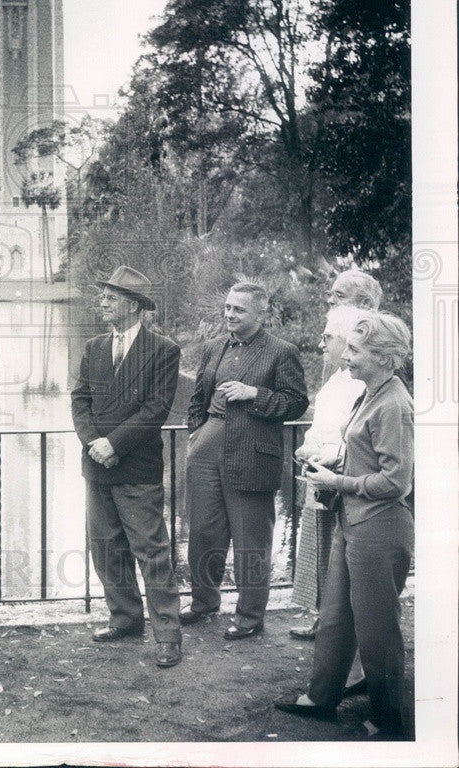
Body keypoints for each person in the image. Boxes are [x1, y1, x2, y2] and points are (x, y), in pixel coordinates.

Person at [275, 313, 415, 739]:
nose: (346, 358)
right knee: (335, 615)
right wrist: (334, 462)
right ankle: (322, 698)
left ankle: (390, 719)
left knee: (377, 630)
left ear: (384, 358)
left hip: (379, 528)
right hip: (352, 521)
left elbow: (395, 481)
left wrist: (336, 480)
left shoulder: (394, 404)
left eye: (354, 351)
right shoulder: (370, 392)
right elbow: (367, 454)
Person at [180, 282, 308, 639]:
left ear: (261, 313)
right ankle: (204, 602)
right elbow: (197, 397)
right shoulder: (213, 347)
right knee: (203, 531)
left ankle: (250, 617)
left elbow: (296, 402)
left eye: (239, 310)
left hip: (252, 452)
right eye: (227, 308)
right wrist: (197, 431)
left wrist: (255, 394)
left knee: (252, 539)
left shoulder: (281, 351)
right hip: (207, 446)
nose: (230, 315)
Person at [71, 266, 183, 669]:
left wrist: (114, 444)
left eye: (110, 297)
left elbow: (156, 409)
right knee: (105, 548)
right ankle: (125, 618)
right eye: (103, 296)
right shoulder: (94, 347)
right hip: (97, 465)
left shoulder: (163, 350)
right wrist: (93, 443)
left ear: (133, 306)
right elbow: (79, 400)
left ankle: (168, 635)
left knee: (152, 552)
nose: (102, 302)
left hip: (137, 468)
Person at [290, 306, 369, 641]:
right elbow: (320, 426)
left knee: (337, 553)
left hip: (336, 478)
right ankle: (323, 619)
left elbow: (352, 437)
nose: (321, 344)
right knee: (319, 550)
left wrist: (325, 455)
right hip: (318, 475)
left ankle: (337, 626)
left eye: (328, 337)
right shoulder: (335, 379)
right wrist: (306, 446)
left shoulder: (358, 385)